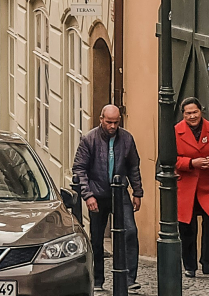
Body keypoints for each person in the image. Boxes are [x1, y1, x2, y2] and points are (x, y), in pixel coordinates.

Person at [72, 104, 142, 293]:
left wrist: (137, 192)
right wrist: (88, 195)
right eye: (109, 122)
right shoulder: (89, 139)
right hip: (97, 193)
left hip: (120, 193)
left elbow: (133, 166)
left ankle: (129, 279)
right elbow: (79, 169)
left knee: (130, 232)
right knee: (97, 239)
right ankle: (98, 279)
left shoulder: (126, 138)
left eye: (116, 122)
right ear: (101, 119)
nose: (112, 126)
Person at [174, 97, 209, 279]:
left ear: (200, 111)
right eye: (188, 113)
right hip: (186, 185)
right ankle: (189, 266)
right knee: (187, 227)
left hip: (207, 184)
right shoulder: (176, 132)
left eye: (195, 112)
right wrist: (191, 163)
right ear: (183, 114)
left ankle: (208, 263)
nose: (192, 116)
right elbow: (170, 160)